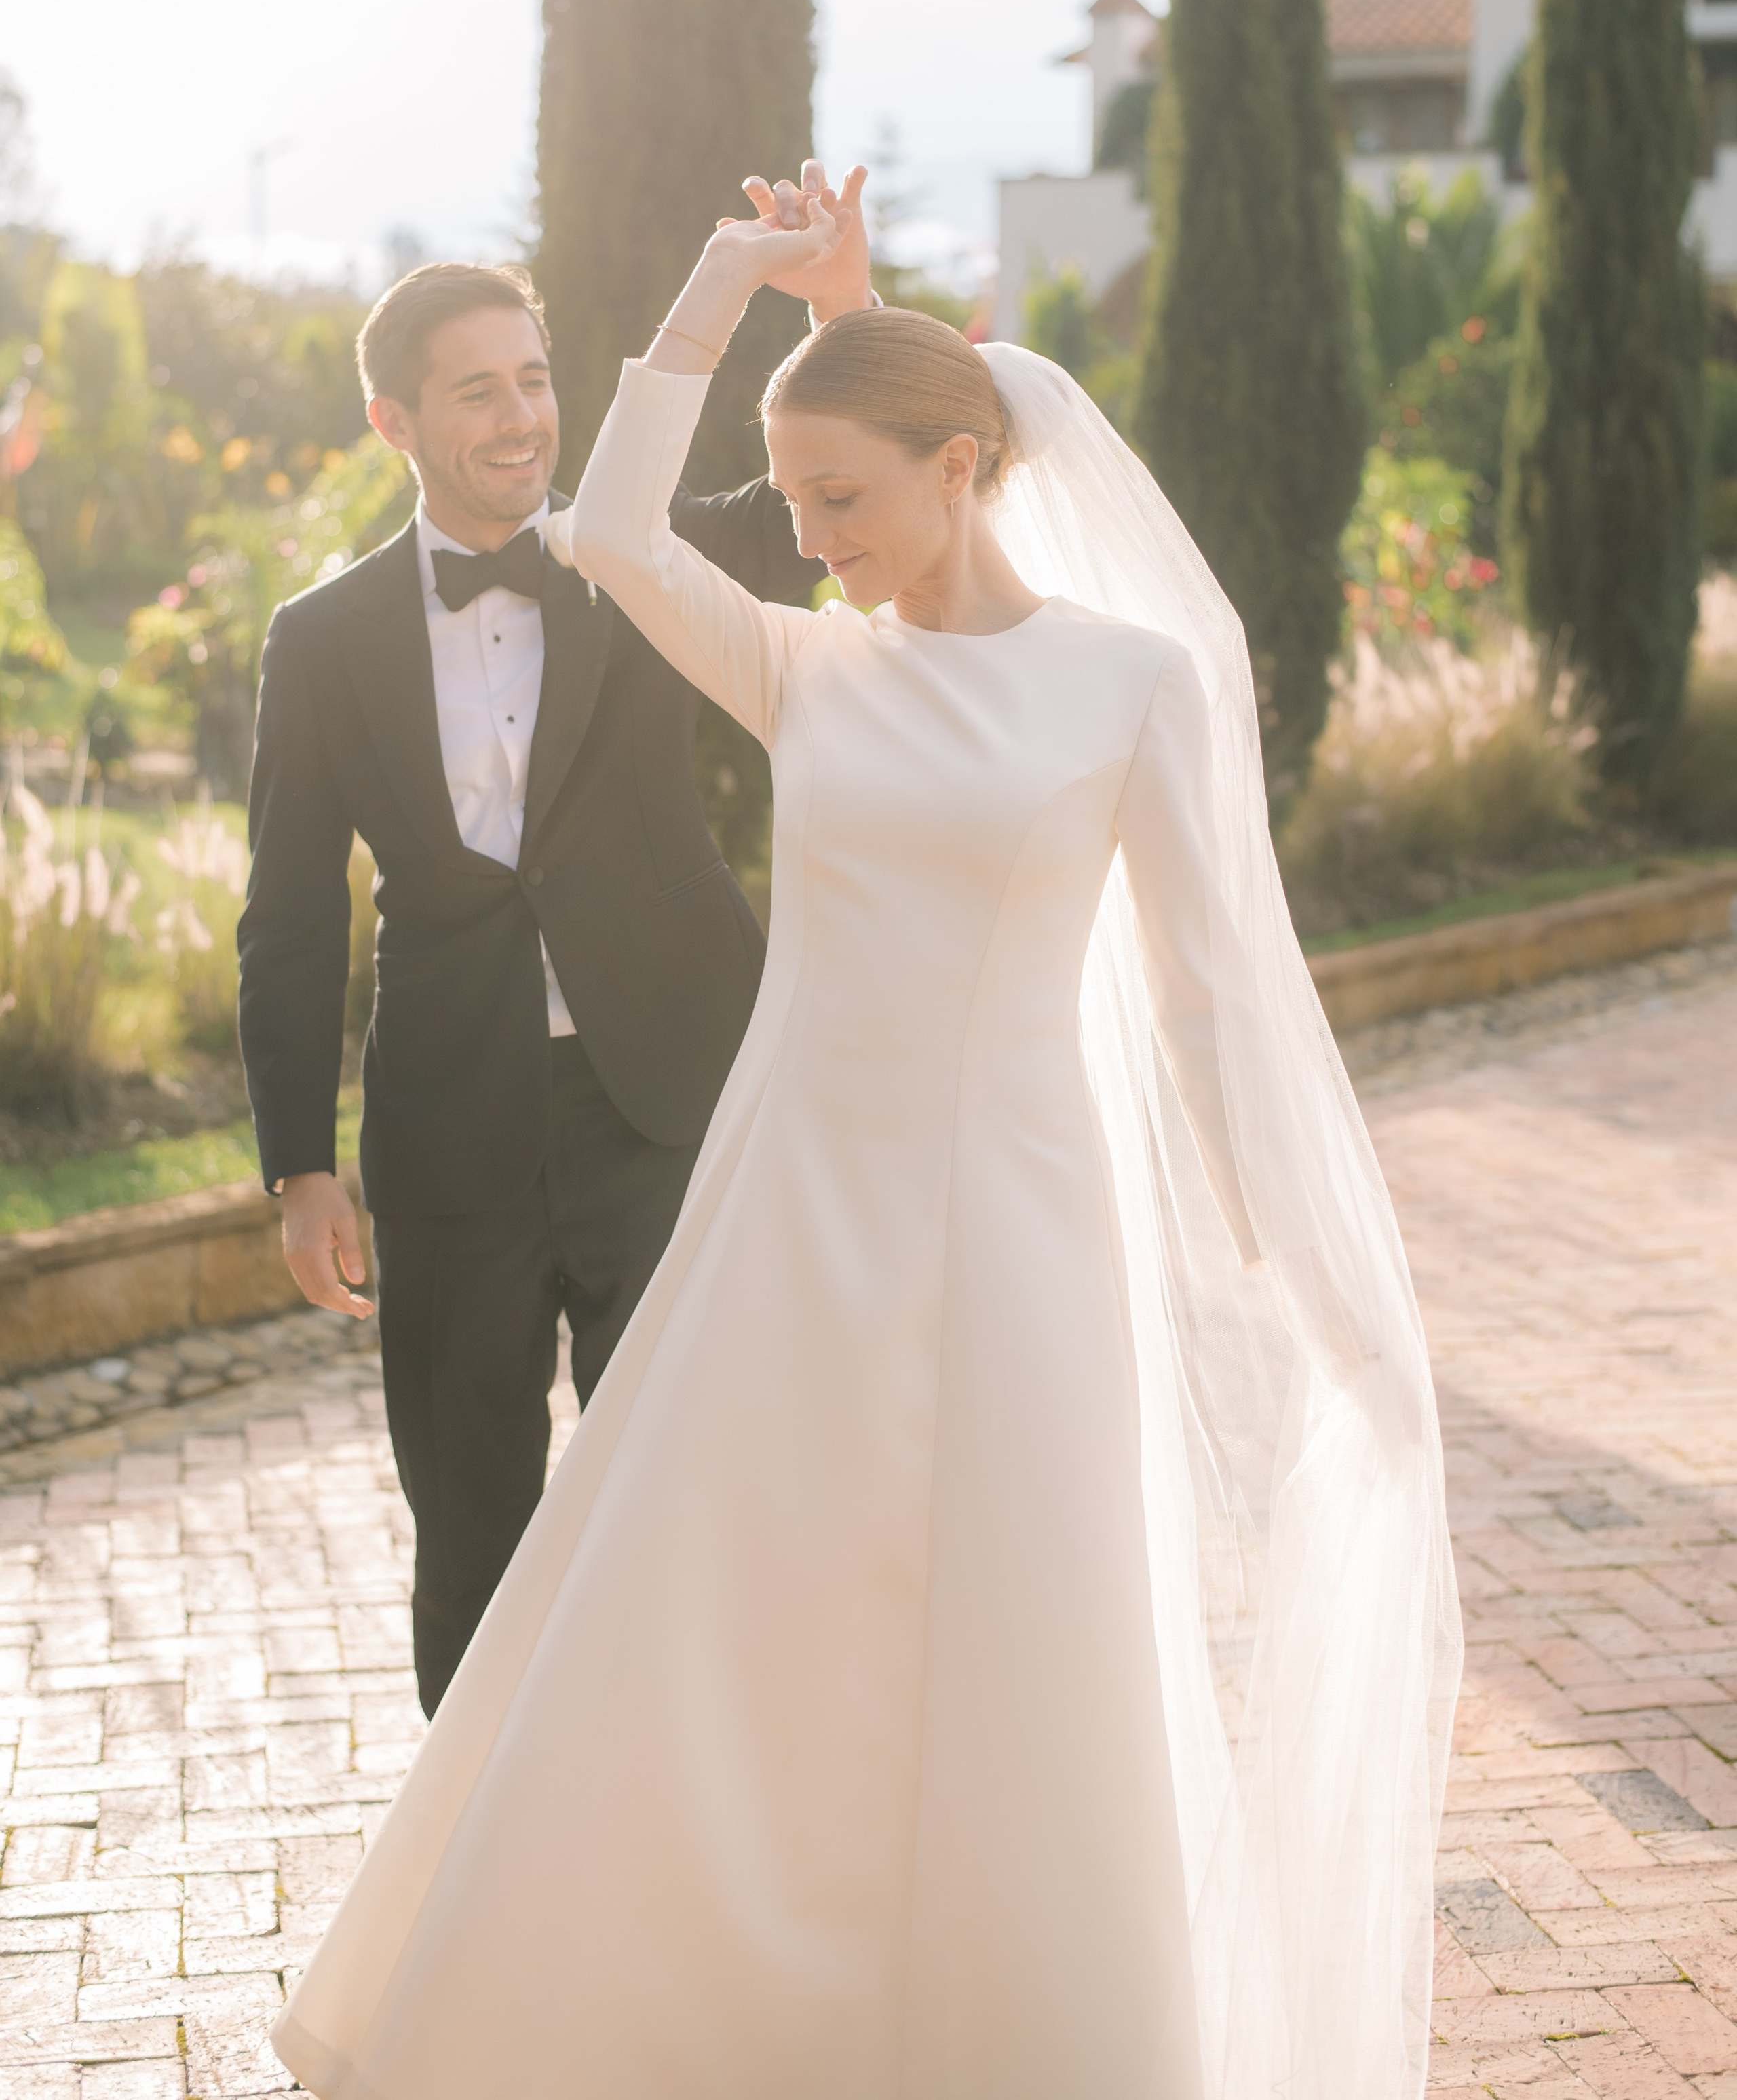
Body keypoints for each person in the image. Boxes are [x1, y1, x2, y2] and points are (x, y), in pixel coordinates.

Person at [272, 180, 1459, 2100]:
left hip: (1020, 1219)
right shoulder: (807, 667)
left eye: (844, 501)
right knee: (724, 1612)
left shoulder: (1131, 685)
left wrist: (1323, 1287)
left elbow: (1216, 1001)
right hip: (783, 1218)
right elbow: (610, 531)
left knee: (1015, 1633)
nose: (812, 542)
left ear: (967, 468)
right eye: (795, 503)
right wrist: (723, 287)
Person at [237, 173, 869, 1716]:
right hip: (449, 1136)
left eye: (534, 379)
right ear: (394, 422)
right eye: (478, 393)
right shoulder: (318, 643)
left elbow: (853, 495)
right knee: (470, 1531)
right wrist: (299, 1164)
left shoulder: (637, 558)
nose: (522, 419)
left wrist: (840, 307)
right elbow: (290, 908)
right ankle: (471, 1883)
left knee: (693, 1498)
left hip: (667, 1101)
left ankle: (692, 1840)